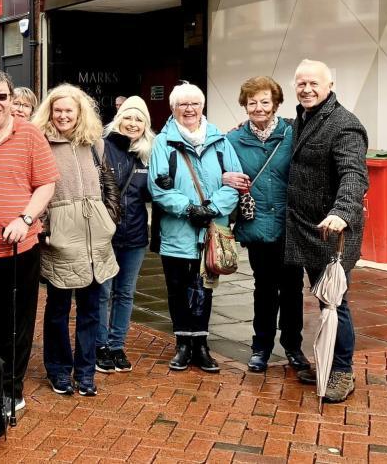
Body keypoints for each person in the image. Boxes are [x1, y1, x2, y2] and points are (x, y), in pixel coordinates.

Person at [0, 70, 58, 415]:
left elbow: (46, 184)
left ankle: (11, 388)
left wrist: (26, 219)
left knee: (16, 323)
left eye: (1, 97)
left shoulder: (30, 135)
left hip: (19, 248)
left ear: (11, 100)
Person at [284, 59, 368, 403]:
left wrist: (341, 212)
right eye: (301, 83)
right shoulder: (301, 119)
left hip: (331, 231)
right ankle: (327, 361)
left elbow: (354, 175)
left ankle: (342, 372)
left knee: (334, 302)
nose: (306, 89)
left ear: (330, 85)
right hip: (303, 227)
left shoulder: (345, 125)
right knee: (321, 301)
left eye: (313, 83)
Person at [148, 83, 241, 374]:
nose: (189, 109)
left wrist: (212, 208)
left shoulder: (221, 141)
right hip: (178, 231)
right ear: (173, 108)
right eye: (182, 104)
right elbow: (157, 187)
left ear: (202, 106)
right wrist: (190, 208)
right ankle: (183, 343)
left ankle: (201, 344)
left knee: (205, 289)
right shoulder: (163, 143)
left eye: (195, 104)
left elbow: (235, 183)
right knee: (177, 288)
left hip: (212, 231)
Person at [32, 84, 118, 397]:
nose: (64, 116)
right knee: (57, 309)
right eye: (58, 110)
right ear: (50, 113)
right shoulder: (39, 142)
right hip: (61, 236)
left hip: (95, 235)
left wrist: (109, 220)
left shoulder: (95, 143)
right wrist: (45, 227)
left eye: (70, 110)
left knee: (91, 309)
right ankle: (58, 371)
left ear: (80, 112)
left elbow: (108, 183)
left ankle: (85, 372)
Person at [223, 77, 309, 374]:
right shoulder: (232, 140)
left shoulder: (293, 133)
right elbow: (217, 171)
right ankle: (261, 347)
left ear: (275, 104)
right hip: (258, 226)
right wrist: (224, 179)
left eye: (264, 101)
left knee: (293, 289)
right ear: (244, 106)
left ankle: (293, 347)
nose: (258, 107)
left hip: (291, 224)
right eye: (252, 102)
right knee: (264, 288)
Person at [96, 96, 155, 374]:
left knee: (126, 293)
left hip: (135, 235)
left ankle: (117, 345)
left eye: (139, 119)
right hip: (106, 234)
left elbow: (150, 194)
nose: (133, 123)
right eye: (128, 117)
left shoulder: (149, 153)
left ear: (146, 125)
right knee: (102, 293)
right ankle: (100, 346)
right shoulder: (103, 147)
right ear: (119, 119)